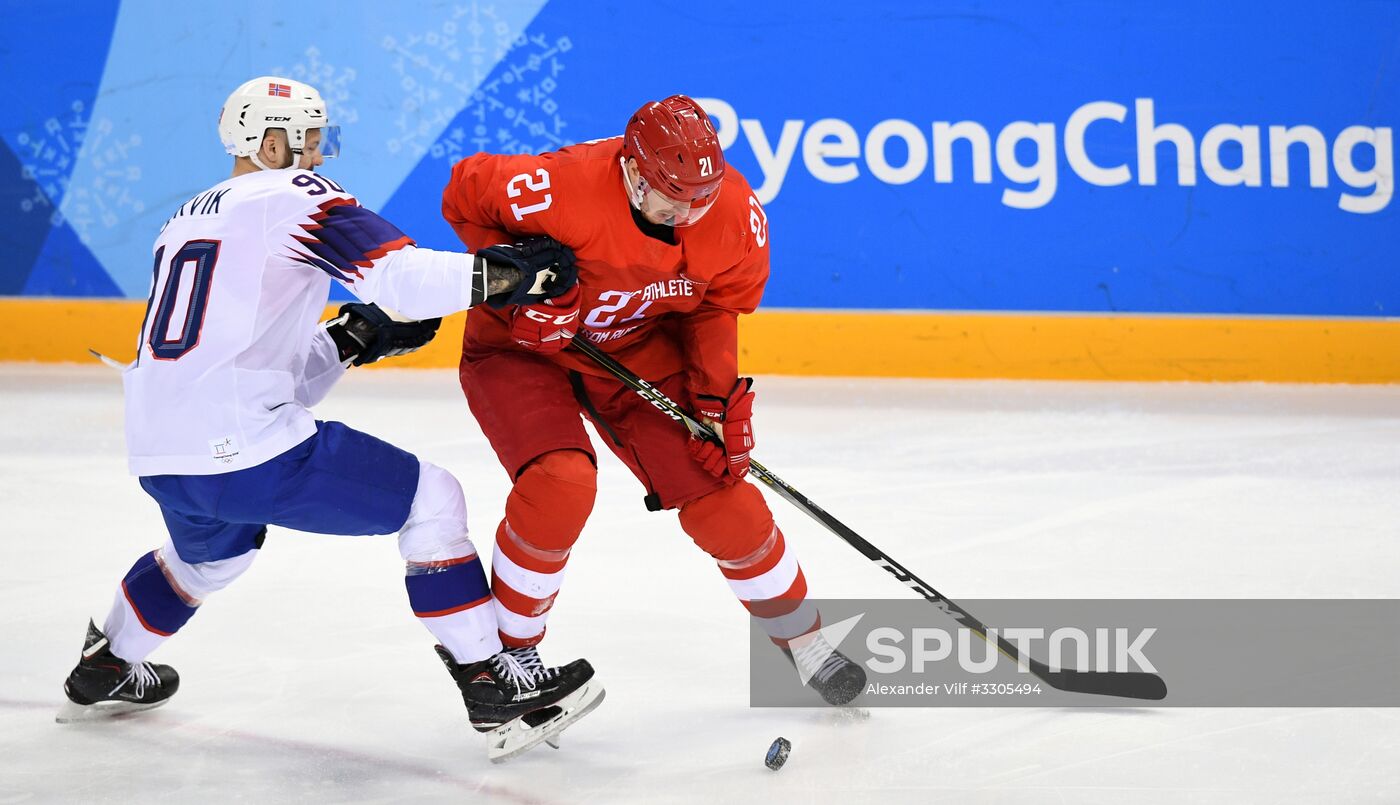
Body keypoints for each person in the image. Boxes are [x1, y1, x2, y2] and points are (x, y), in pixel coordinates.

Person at [57, 76, 603, 762]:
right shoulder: (293, 194)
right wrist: (508, 276)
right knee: (432, 499)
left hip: (160, 451)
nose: (318, 155)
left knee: (211, 556)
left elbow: (242, 361)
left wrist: (347, 339)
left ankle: (108, 660)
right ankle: (491, 682)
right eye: (310, 139)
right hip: (243, 449)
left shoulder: (185, 220)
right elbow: (401, 280)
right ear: (271, 144)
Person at [443, 94, 866, 706]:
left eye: (701, 199)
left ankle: (804, 641)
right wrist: (520, 281)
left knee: (723, 498)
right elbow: (462, 193)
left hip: (636, 345)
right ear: (633, 171)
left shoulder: (733, 213)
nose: (688, 215)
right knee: (561, 483)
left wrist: (716, 399)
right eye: (672, 197)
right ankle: (511, 657)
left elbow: (715, 306)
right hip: (521, 347)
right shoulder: (560, 187)